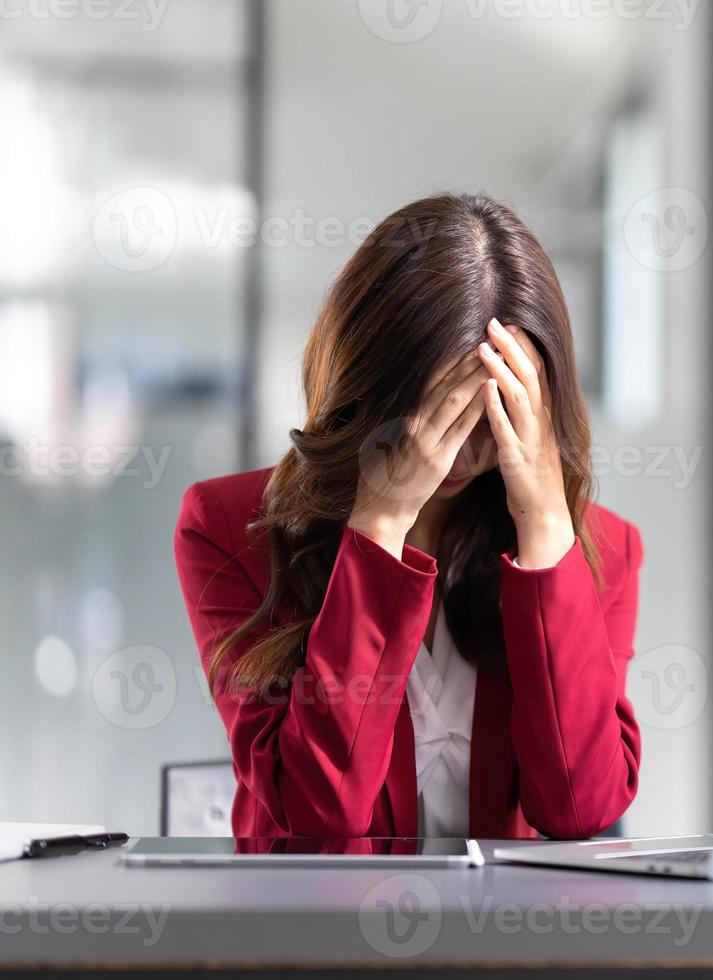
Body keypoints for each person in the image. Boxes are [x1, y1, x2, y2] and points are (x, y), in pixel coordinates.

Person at [174, 193, 641, 840]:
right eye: (435, 409)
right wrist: (381, 527)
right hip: (313, 934)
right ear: (371, 383)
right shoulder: (227, 528)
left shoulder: (598, 549)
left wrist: (543, 528)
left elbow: (581, 809)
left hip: (512, 936)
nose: (455, 445)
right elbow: (316, 815)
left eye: (490, 413)